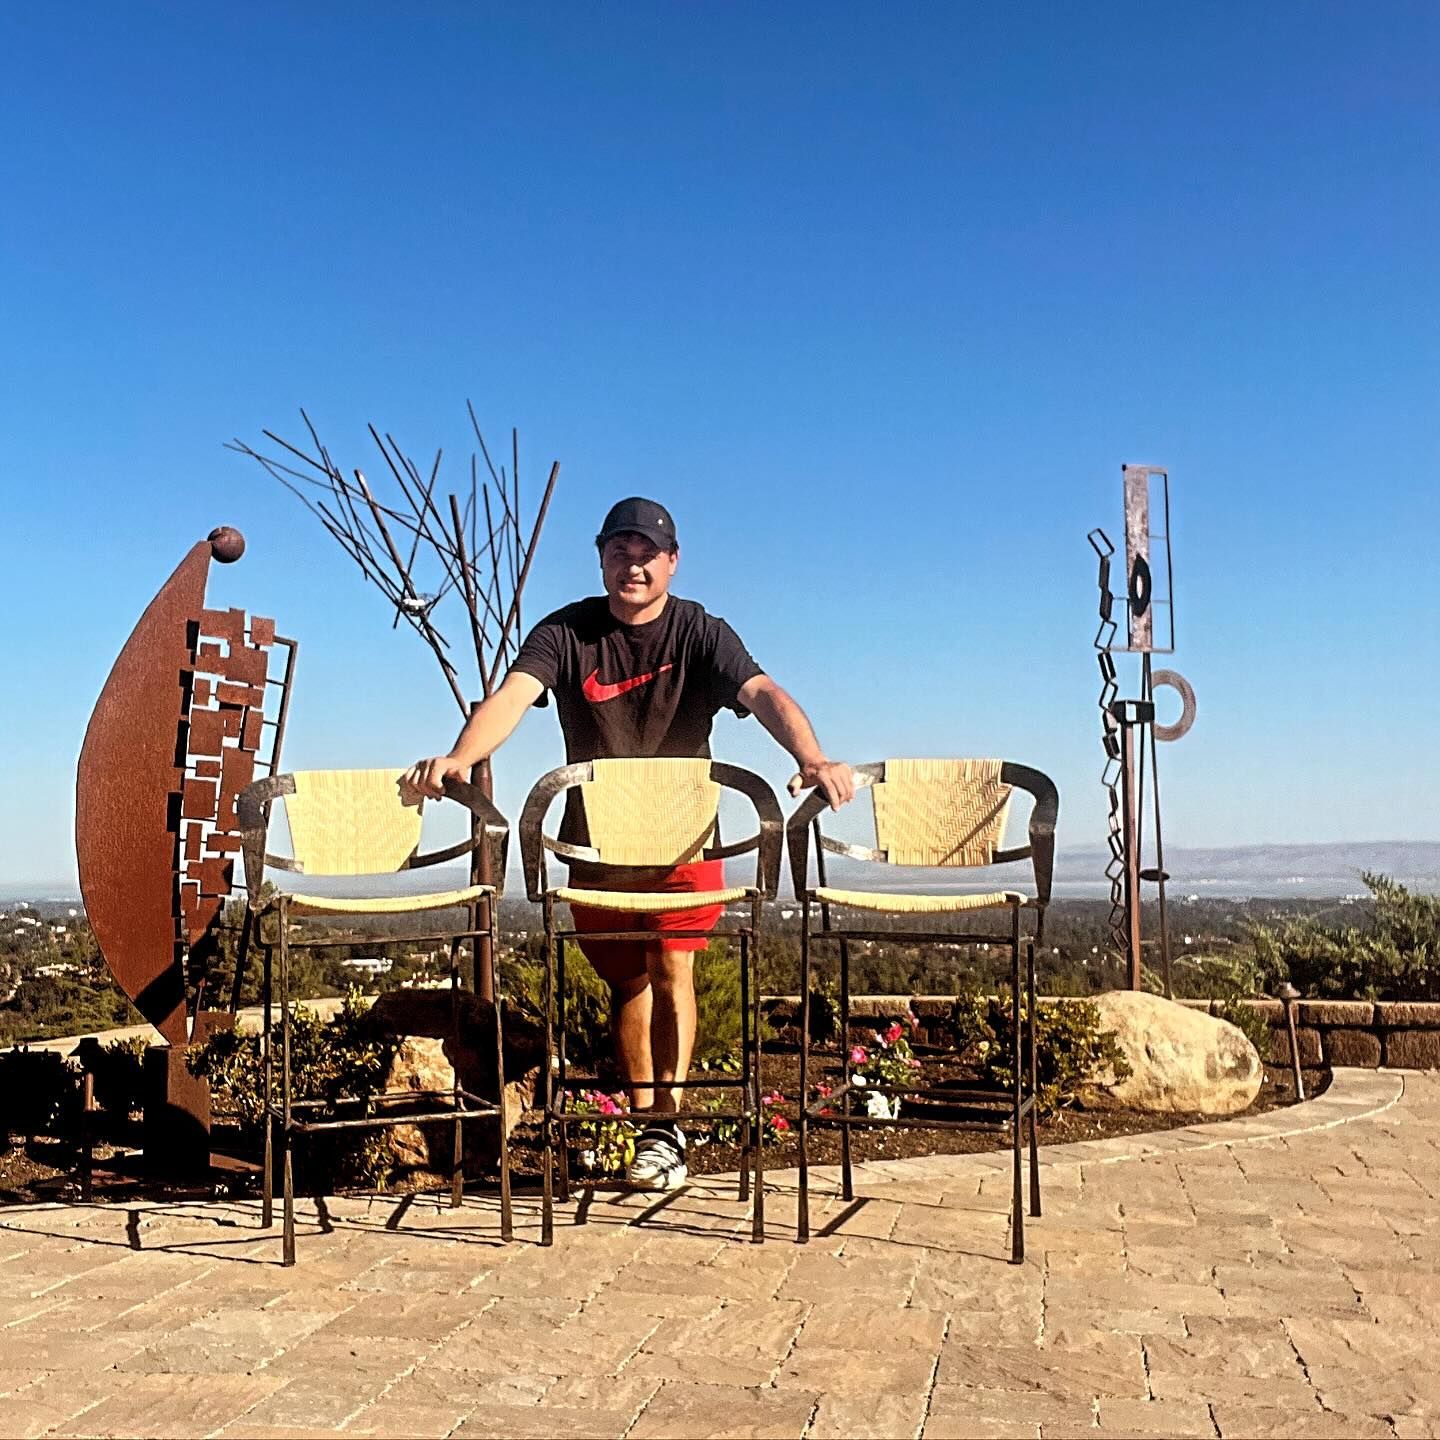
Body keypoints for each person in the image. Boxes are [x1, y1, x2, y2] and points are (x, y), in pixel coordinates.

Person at [405, 496, 852, 1191]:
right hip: (598, 849)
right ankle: (650, 1126)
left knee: (674, 971)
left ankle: (664, 1126)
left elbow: (764, 692)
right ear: (602, 557)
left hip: (684, 842)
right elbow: (514, 695)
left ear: (671, 562)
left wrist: (815, 757)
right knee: (628, 983)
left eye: (647, 553)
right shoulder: (566, 632)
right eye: (620, 551)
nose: (633, 565)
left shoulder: (700, 631)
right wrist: (461, 755)